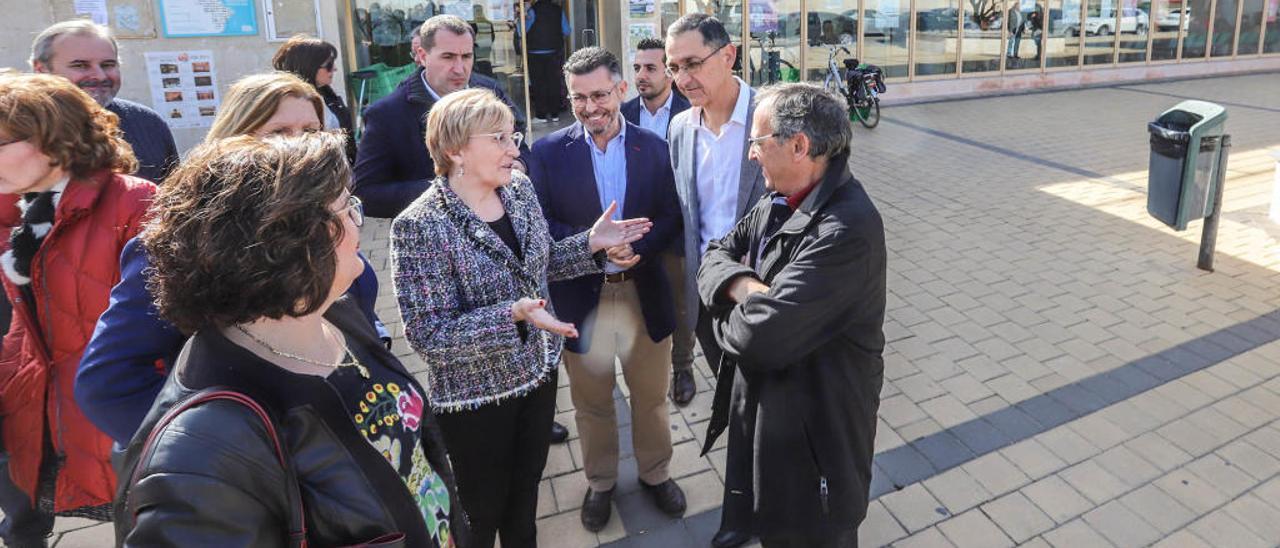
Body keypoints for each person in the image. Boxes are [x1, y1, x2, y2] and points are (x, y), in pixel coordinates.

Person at [114, 132, 467, 547]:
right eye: (346, 208)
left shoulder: (332, 311)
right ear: (287, 243)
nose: (358, 221)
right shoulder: (201, 455)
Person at [391, 88, 652, 548]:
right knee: (481, 512)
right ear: (455, 149)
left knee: (525, 500)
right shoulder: (419, 225)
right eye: (499, 138)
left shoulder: (519, 189)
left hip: (539, 376)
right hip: (477, 401)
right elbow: (429, 336)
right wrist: (511, 315)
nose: (515, 150)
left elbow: (543, 264)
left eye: (514, 136)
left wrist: (592, 243)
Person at [77, 72, 388, 447]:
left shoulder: (340, 223)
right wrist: (210, 453)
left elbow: (365, 324)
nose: (298, 144)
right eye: (278, 131)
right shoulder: (182, 242)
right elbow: (108, 383)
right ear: (234, 139)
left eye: (311, 130)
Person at [697, 83, 885, 548]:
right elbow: (715, 253)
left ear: (799, 146)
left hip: (818, 444)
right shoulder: (781, 195)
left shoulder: (848, 230)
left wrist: (726, 309)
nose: (751, 156)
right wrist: (744, 287)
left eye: (758, 143)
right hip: (771, 419)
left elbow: (759, 340)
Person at [526, 47, 684, 532]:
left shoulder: (655, 148)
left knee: (650, 395)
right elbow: (541, 226)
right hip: (581, 296)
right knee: (591, 401)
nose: (591, 107)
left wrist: (636, 249)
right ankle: (600, 482)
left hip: (642, 290)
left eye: (599, 94)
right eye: (579, 98)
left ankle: (656, 472)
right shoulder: (548, 153)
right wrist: (594, 248)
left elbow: (671, 215)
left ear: (621, 89)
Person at [0, 72, 156, 548]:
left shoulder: (136, 201)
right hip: (42, 406)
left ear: (53, 138)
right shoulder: (17, 206)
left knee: (146, 526)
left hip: (120, 410)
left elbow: (167, 321)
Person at [665, 14, 765, 547]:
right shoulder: (680, 127)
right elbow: (687, 216)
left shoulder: (775, 116)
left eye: (692, 63)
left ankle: (762, 510)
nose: (681, 77)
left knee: (774, 407)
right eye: (674, 66)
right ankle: (744, 508)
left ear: (728, 56)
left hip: (764, 298)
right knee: (735, 405)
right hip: (708, 297)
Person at [355, 14, 530, 220]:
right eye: (448, 57)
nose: (459, 68)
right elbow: (366, 194)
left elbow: (522, 150)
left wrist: (520, 166)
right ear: (422, 55)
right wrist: (449, 190)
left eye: (466, 56)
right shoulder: (387, 114)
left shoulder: (490, 91)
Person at [620, 36, 695, 407]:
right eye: (636, 68)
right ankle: (645, 365)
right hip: (634, 227)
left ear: (669, 71)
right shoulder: (622, 113)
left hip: (677, 229)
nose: (641, 76)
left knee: (681, 304)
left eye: (650, 68)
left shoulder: (690, 111)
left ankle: (682, 366)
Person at [29, 20, 178, 183]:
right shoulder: (15, 128)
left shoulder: (147, 123)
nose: (100, 76)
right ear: (41, 70)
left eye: (108, 65)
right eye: (80, 65)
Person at [272, 35, 358, 163]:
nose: (334, 68)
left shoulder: (328, 95)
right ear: (309, 66)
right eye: (328, 65)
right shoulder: (287, 102)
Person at [524, 0, 570, 123]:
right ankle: (555, 114)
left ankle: (541, 115)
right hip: (554, 52)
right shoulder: (558, 10)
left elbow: (522, 31)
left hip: (535, 52)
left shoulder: (532, 10)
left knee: (539, 84)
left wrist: (523, 14)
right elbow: (567, 30)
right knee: (553, 82)